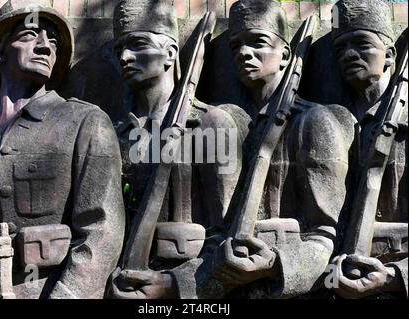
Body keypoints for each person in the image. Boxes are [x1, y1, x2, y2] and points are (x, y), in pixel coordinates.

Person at [110, 0, 356, 299]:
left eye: (257, 43)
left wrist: (276, 263)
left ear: (285, 55)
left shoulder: (312, 122)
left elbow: (326, 233)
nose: (243, 53)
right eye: (236, 45)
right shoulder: (233, 120)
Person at [0, 0, 125, 299]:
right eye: (29, 36)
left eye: (53, 41)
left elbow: (102, 229)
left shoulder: (84, 122)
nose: (45, 47)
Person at [328, 0, 407, 299]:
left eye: (361, 43)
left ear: (389, 55)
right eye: (340, 48)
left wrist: (392, 276)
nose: (348, 54)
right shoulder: (332, 123)